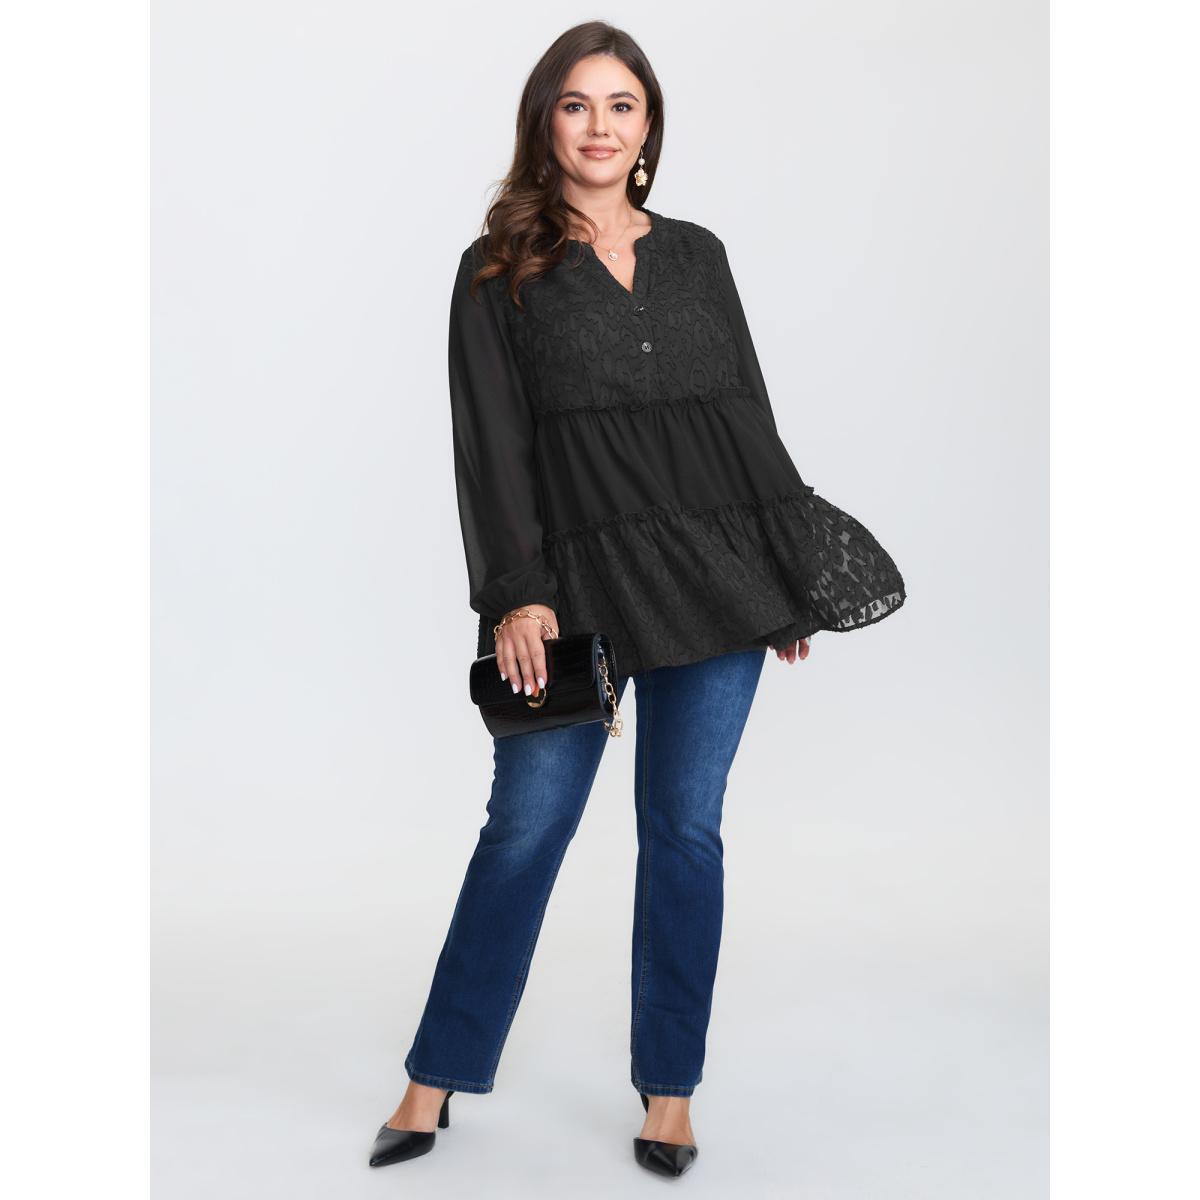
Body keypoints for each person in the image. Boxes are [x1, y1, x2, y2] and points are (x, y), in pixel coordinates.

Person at [369, 20, 905, 1179]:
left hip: (716, 581)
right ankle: (435, 1074)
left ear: (649, 125)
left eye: (621, 104)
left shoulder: (699, 255)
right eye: (576, 104)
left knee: (685, 831)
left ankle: (670, 1090)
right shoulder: (498, 270)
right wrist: (516, 596)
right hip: (571, 594)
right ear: (545, 123)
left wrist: (785, 573)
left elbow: (745, 416)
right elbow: (492, 447)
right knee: (527, 827)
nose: (599, 126)